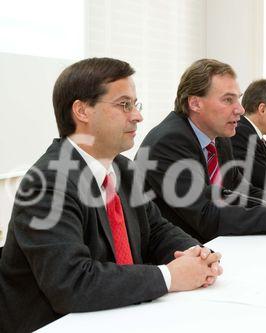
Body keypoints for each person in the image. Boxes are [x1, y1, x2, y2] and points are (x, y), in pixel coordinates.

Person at [0, 58, 222, 333]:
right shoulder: (47, 182)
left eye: (135, 105)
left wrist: (195, 254)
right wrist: (169, 276)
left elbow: (156, 230)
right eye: (124, 105)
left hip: (120, 315)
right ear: (82, 110)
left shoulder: (123, 169)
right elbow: (71, 283)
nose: (138, 116)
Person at [138, 59, 266, 243]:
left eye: (237, 99)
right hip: (176, 255)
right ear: (195, 103)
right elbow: (206, 216)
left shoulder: (219, 137)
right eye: (228, 100)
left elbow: (242, 192)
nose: (240, 109)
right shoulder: (169, 142)